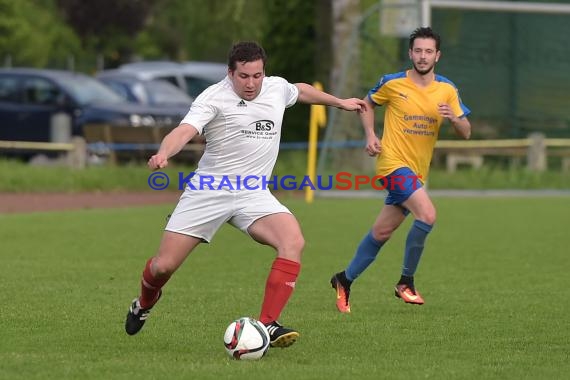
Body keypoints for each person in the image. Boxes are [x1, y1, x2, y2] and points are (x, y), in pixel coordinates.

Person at [124, 41, 367, 347]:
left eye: (257, 75)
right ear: (230, 73)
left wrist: (340, 102)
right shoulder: (213, 97)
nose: (251, 83)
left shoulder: (275, 88)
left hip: (253, 193)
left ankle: (267, 325)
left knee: (292, 241)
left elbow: (300, 90)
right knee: (163, 266)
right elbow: (184, 130)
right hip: (208, 191)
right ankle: (144, 304)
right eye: (244, 76)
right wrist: (164, 153)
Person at [330, 27, 472, 313]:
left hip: (417, 172)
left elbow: (466, 131)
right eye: (417, 51)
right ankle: (406, 282)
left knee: (382, 232)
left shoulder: (447, 89)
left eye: (428, 51)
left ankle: (344, 279)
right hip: (392, 163)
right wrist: (370, 135)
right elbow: (366, 105)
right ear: (410, 53)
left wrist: (455, 119)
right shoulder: (393, 83)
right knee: (428, 215)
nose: (422, 56)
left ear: (437, 55)